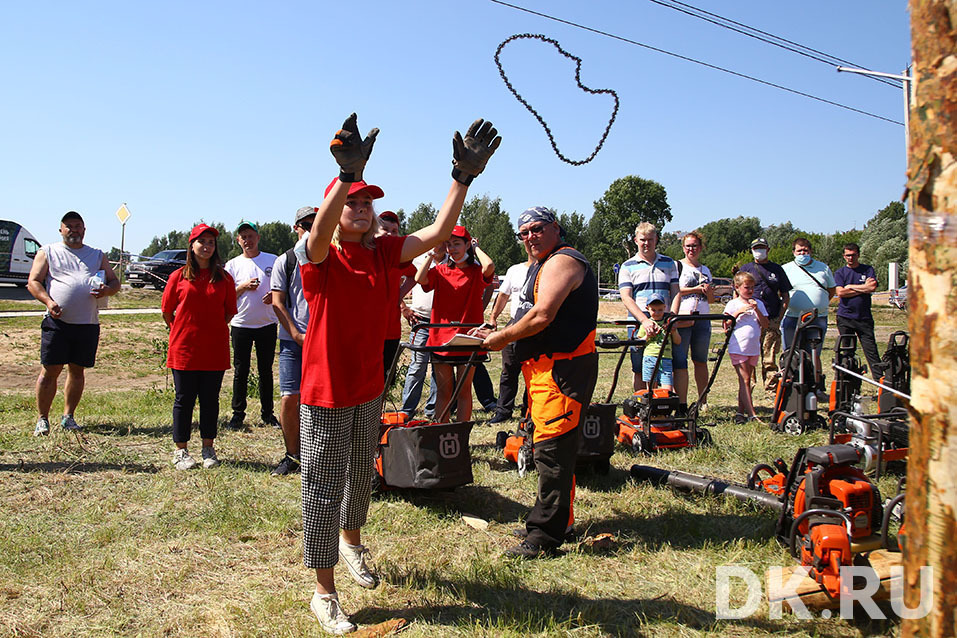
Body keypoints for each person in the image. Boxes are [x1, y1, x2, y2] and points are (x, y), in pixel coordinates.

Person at [297, 113, 499, 634]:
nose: (362, 207)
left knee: (360, 473)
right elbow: (317, 236)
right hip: (325, 391)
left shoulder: (385, 252)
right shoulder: (319, 256)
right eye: (352, 202)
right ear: (335, 207)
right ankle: (323, 592)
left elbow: (437, 233)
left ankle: (352, 543)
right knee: (322, 487)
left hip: (368, 386)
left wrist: (462, 178)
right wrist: (346, 177)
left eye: (367, 202)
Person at [473, 206, 598, 560]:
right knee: (552, 447)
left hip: (562, 371)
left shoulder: (563, 260)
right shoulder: (541, 265)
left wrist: (501, 339)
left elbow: (543, 315)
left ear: (556, 228)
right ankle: (560, 522)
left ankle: (544, 536)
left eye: (537, 228)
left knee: (552, 452)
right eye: (524, 232)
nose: (530, 237)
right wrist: (497, 330)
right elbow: (527, 312)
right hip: (543, 370)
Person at [28, 211, 121, 435]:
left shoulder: (97, 255)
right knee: (50, 370)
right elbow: (33, 282)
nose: (74, 230)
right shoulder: (48, 252)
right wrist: (49, 302)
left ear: (84, 230)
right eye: (69, 226)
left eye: (78, 226)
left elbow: (114, 282)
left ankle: (68, 417)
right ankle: (42, 419)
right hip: (57, 322)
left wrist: (107, 291)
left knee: (77, 370)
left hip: (87, 324)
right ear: (61, 230)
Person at [161, 224, 237, 469]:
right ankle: (181, 451)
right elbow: (167, 311)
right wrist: (182, 330)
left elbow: (229, 312)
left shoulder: (225, 278)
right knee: (184, 400)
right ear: (191, 245)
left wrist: (210, 328)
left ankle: (208, 449)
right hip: (184, 349)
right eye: (201, 241)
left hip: (214, 350)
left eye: (211, 242)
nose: (206, 246)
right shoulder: (178, 277)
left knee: (210, 400)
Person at [414, 225, 494, 424]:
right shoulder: (441, 270)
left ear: (467, 245)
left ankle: (461, 433)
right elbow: (419, 278)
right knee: (444, 392)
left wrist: (476, 248)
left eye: (457, 243)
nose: (452, 248)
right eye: (449, 244)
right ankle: (442, 431)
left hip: (468, 339)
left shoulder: (476, 271)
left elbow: (489, 266)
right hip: (441, 339)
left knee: (463, 391)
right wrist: (432, 255)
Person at [268, 206, 316, 476]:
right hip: (291, 342)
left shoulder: (329, 257)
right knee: (289, 397)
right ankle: (292, 455)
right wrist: (296, 334)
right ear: (295, 228)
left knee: (321, 400)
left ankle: (317, 454)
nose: (311, 230)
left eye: (316, 224)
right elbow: (278, 302)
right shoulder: (285, 261)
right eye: (306, 225)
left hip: (323, 342)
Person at [224, 221, 279, 429]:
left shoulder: (272, 260)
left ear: (258, 238)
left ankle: (268, 414)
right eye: (244, 237)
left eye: (251, 236)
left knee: (266, 370)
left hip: (267, 323)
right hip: (241, 324)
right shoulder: (232, 265)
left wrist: (273, 296)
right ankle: (238, 414)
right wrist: (243, 287)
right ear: (238, 241)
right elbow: (227, 295)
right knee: (241, 370)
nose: (248, 240)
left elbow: (281, 288)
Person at [618, 222, 681, 391]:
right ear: (636, 240)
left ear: (656, 239)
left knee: (668, 364)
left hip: (664, 321)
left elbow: (676, 292)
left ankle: (667, 404)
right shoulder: (627, 266)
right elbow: (626, 297)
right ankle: (642, 403)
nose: (646, 243)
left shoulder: (669, 263)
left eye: (650, 240)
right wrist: (644, 321)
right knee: (639, 368)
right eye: (643, 240)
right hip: (638, 322)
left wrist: (672, 317)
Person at [487, 245, 533, 424]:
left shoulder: (547, 268)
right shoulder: (514, 270)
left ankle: (529, 410)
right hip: (514, 324)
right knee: (508, 370)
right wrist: (493, 317)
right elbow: (503, 296)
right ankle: (503, 411)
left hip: (535, 326)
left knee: (533, 371)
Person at [740, 238, 791, 395]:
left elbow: (785, 296)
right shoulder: (746, 269)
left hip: (771, 319)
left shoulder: (777, 269)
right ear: (751, 250)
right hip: (750, 320)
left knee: (770, 357)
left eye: (762, 248)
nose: (759, 251)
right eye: (756, 248)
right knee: (749, 356)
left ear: (768, 250)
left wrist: (779, 318)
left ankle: (771, 389)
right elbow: (737, 293)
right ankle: (748, 389)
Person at [399, 246, 443, 420]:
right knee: (417, 366)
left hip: (444, 323)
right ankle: (407, 409)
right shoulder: (417, 259)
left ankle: (433, 409)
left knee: (440, 367)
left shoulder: (456, 260)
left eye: (444, 241)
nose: (439, 245)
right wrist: (403, 308)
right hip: (421, 321)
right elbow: (394, 280)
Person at [781, 237, 835, 373]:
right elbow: (780, 292)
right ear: (793, 252)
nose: (802, 253)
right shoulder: (786, 269)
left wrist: (821, 303)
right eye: (799, 251)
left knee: (814, 354)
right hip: (792, 317)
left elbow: (831, 290)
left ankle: (815, 381)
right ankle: (791, 380)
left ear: (810, 251)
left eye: (805, 250)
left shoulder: (823, 268)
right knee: (790, 353)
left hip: (818, 317)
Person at [673, 230, 714, 413]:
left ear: (700, 248)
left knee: (700, 361)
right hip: (683, 318)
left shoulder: (706, 270)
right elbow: (675, 291)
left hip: (703, 319)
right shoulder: (677, 266)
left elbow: (711, 300)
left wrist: (709, 292)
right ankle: (679, 401)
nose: (691, 249)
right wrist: (696, 289)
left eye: (695, 246)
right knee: (680, 361)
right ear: (683, 248)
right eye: (688, 246)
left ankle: (703, 400)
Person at [723, 272, 768, 425]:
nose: (750, 291)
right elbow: (725, 325)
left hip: (753, 347)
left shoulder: (758, 303)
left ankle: (740, 412)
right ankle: (752, 414)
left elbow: (765, 324)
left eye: (752, 288)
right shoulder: (733, 304)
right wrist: (738, 313)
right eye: (746, 287)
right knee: (745, 380)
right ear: (737, 287)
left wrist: (756, 309)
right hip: (738, 347)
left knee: (746, 382)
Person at [377, 210, 417, 382]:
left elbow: (414, 275)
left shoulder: (398, 259)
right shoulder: (364, 255)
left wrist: (399, 296)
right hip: (366, 332)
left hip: (390, 331)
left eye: (394, 231)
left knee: (385, 381)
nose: (390, 234)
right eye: (385, 229)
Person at [834, 242, 883, 380]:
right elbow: (840, 292)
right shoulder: (840, 273)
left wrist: (850, 286)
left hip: (864, 318)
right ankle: (848, 382)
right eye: (848, 255)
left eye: (853, 255)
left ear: (858, 255)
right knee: (848, 352)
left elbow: (871, 288)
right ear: (844, 256)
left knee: (871, 351)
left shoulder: (867, 270)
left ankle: (881, 382)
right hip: (845, 318)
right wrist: (862, 289)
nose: (851, 258)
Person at [636, 294, 681, 392]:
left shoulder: (669, 323)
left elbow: (678, 341)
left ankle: (665, 402)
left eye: (660, 310)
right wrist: (648, 336)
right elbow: (638, 343)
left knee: (668, 390)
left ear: (665, 308)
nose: (657, 313)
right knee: (651, 388)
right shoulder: (646, 324)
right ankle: (652, 402)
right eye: (653, 310)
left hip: (666, 358)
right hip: (650, 358)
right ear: (647, 309)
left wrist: (673, 331)